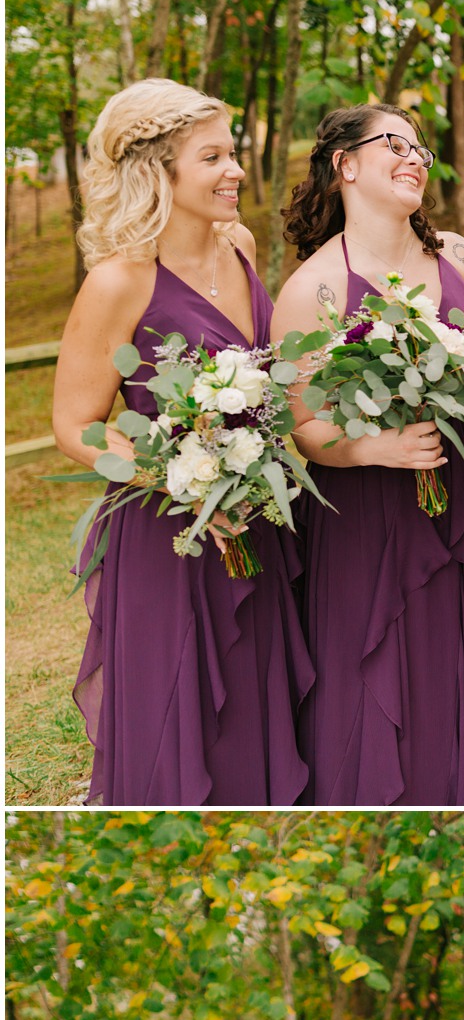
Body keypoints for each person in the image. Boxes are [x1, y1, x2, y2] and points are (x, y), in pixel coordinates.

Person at [55, 78, 312, 805]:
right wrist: (188, 484)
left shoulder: (239, 247)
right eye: (213, 157)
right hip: (166, 535)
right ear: (158, 173)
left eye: (232, 152)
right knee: (178, 702)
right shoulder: (117, 282)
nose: (236, 169)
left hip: (256, 517)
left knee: (250, 696)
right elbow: (76, 425)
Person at [272, 103, 464, 805]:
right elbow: (301, 425)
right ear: (345, 165)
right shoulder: (313, 289)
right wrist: (373, 447)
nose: (416, 157)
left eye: (421, 147)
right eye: (395, 144)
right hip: (368, 519)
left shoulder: (457, 255)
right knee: (378, 687)